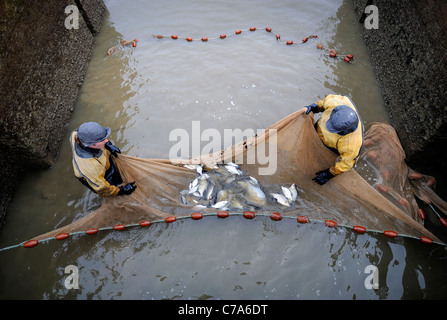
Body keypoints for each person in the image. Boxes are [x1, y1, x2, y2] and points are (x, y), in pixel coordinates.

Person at [304, 94, 364, 185]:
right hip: (318, 129)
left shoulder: (352, 144)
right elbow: (323, 103)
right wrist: (314, 107)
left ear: (344, 131)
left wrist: (329, 173)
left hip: (329, 147)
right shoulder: (336, 102)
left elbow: (346, 164)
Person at [70, 122, 137, 196]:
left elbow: (76, 132)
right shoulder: (91, 167)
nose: (106, 140)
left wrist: (108, 145)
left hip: (103, 162)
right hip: (94, 176)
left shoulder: (77, 134)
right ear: (91, 144)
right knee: (112, 184)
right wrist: (122, 190)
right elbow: (102, 189)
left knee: (115, 173)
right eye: (102, 140)